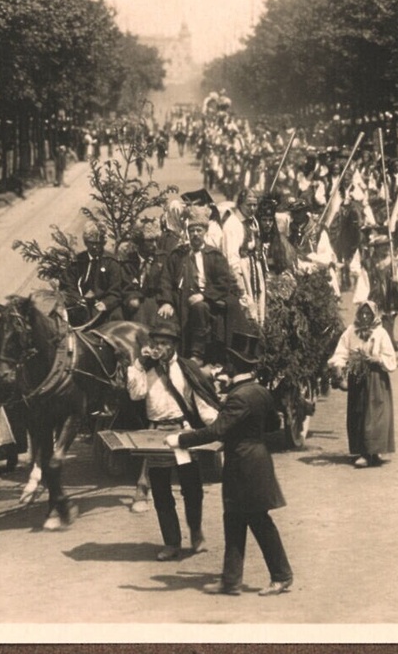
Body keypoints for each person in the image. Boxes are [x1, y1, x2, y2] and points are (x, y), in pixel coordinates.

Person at [168, 331, 293, 597]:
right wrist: (248, 427)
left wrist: (181, 439)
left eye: (227, 363)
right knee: (234, 521)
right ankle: (231, 581)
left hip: (244, 465)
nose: (223, 367)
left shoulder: (239, 397)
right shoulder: (259, 392)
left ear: (234, 366)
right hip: (255, 461)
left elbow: (217, 431)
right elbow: (273, 424)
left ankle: (281, 576)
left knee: (257, 521)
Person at [126, 318, 220, 561]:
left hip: (181, 433)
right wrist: (137, 364)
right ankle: (171, 542)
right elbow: (136, 395)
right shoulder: (145, 370)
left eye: (165, 343)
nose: (159, 347)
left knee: (192, 488)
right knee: (160, 490)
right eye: (156, 342)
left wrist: (218, 426)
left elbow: (201, 401)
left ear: (174, 345)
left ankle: (196, 533)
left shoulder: (187, 368)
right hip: (155, 435)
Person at [161, 206, 241, 366]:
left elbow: (223, 283)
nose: (195, 234)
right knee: (162, 315)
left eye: (198, 230)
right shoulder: (178, 255)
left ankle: (197, 354)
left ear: (205, 232)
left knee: (199, 308)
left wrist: (204, 296)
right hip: (181, 298)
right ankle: (165, 357)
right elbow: (166, 279)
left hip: (208, 299)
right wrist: (167, 301)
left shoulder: (215, 256)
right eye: (192, 231)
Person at [328, 300, 397, 469]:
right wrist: (338, 366)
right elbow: (341, 351)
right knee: (358, 412)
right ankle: (361, 451)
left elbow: (390, 357)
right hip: (357, 377)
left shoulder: (380, 333)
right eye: (362, 313)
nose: (365, 317)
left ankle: (372, 451)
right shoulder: (351, 331)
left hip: (375, 378)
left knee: (375, 413)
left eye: (369, 314)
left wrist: (377, 359)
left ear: (374, 315)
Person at [221, 188, 269, 326]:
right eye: (249, 205)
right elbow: (231, 258)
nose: (253, 208)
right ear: (240, 204)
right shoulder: (232, 224)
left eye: (255, 205)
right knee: (246, 308)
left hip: (253, 268)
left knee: (258, 305)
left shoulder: (252, 221)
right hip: (242, 272)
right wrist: (240, 286)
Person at [62, 222, 124, 327]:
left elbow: (116, 290)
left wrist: (106, 303)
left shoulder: (111, 262)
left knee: (115, 323)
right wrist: (77, 299)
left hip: (105, 309)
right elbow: (68, 285)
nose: (96, 247)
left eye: (99, 243)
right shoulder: (77, 262)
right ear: (86, 242)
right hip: (80, 306)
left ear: (104, 243)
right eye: (92, 243)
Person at [121, 221, 172, 327]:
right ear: (139, 242)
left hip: (156, 300)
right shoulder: (128, 261)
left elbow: (165, 282)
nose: (154, 245)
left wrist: (167, 302)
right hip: (135, 301)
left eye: (155, 240)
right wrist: (132, 297)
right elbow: (126, 284)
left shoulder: (162, 258)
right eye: (149, 241)